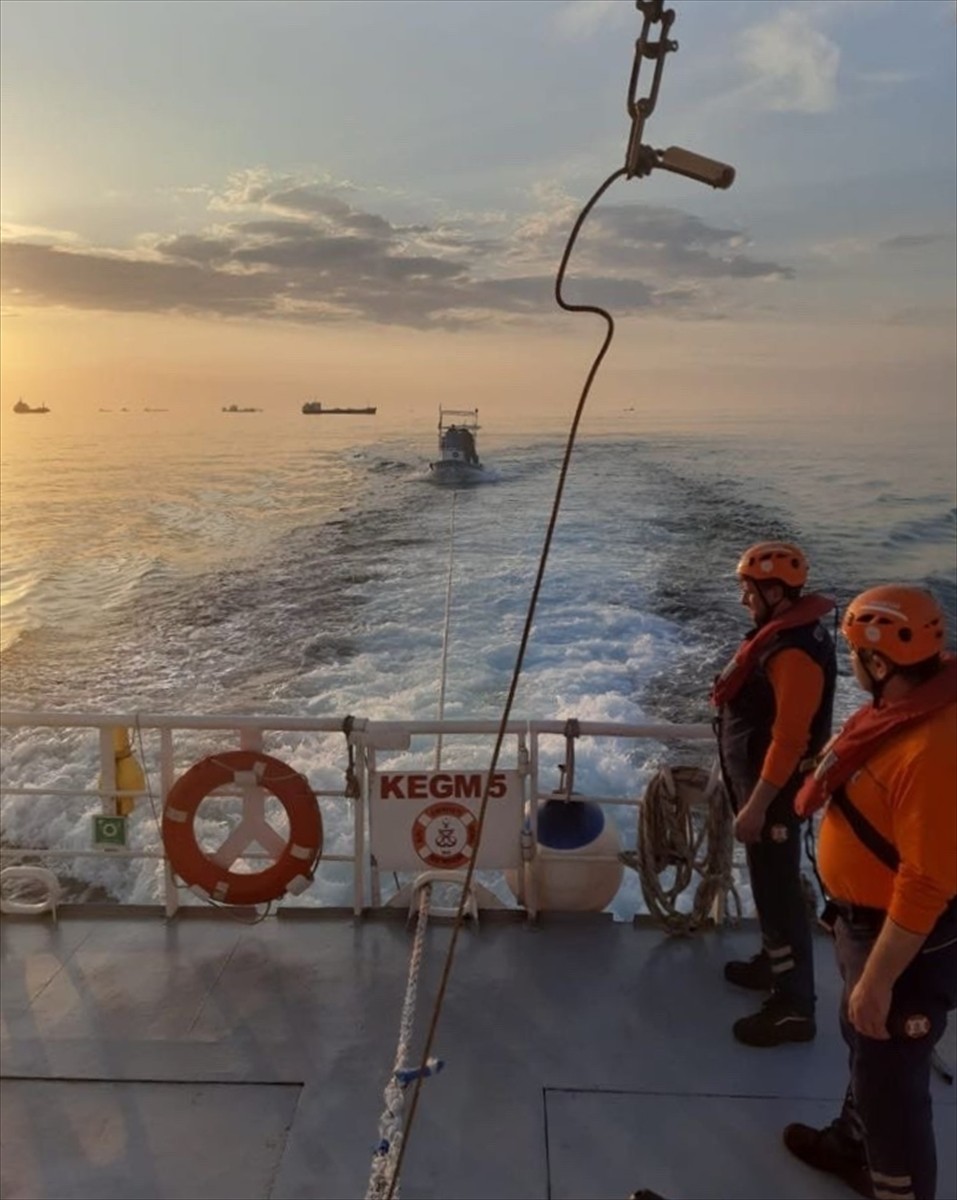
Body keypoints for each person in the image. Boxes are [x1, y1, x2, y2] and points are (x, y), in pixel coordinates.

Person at [784, 585, 957, 1200]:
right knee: (867, 1049)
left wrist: (879, 978)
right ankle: (851, 1143)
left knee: (894, 1089)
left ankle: (895, 1184)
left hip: (906, 945)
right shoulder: (906, 714)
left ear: (880, 665)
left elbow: (928, 879)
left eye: (854, 652)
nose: (848, 662)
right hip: (867, 926)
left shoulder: (934, 746)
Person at [711, 540, 837, 1046]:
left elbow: (790, 740)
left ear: (777, 593)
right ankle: (773, 962)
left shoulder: (795, 654)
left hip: (775, 797)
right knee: (766, 884)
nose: (744, 600)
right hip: (762, 790)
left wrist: (758, 804)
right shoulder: (783, 637)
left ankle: (794, 1006)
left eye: (749, 590)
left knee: (782, 893)